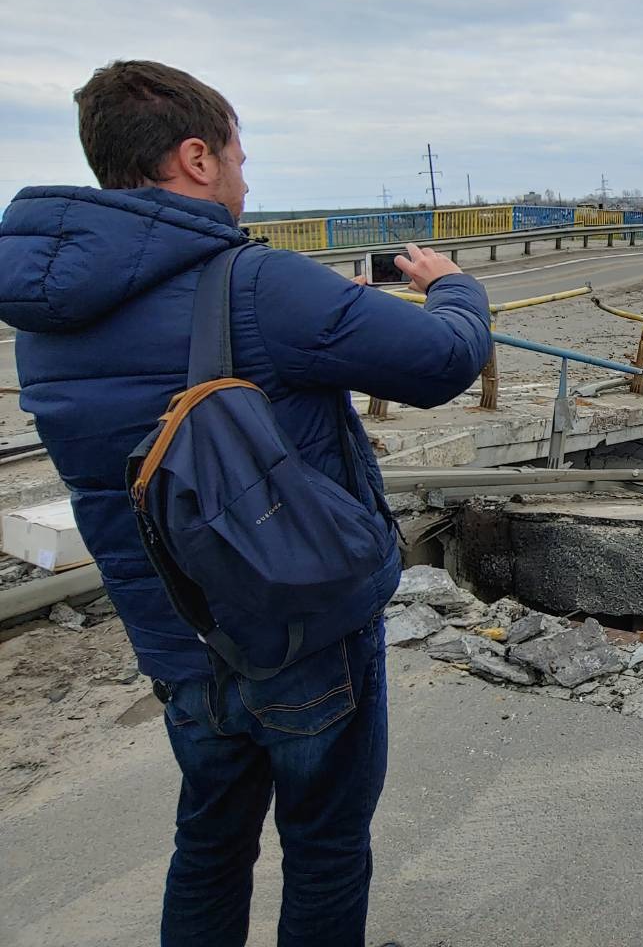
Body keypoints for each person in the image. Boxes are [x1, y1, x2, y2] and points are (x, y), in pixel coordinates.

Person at [0, 60, 493, 947]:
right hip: (301, 628)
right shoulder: (256, 281)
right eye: (237, 154)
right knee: (325, 847)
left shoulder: (44, 317)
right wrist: (450, 285)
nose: (245, 176)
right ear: (194, 157)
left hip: (176, 637)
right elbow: (442, 361)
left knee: (209, 842)